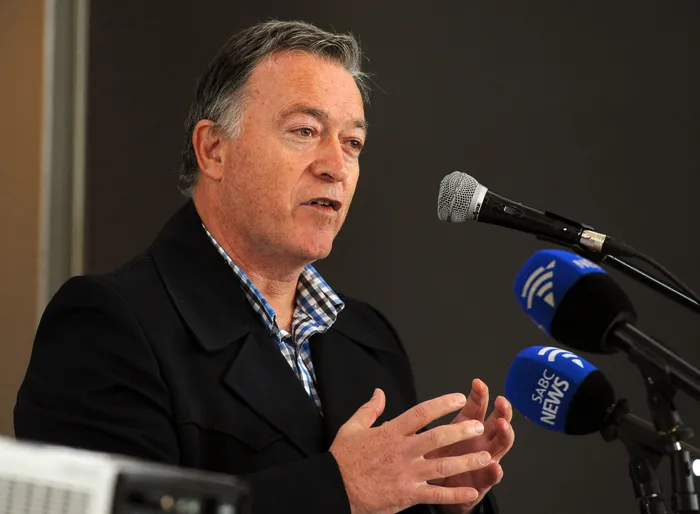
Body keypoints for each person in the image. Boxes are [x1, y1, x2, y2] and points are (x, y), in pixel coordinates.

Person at [14, 20, 514, 514]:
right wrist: (338, 489)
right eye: (305, 131)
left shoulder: (369, 339)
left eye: (352, 143)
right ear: (214, 150)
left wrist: (445, 502)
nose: (336, 166)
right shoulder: (107, 323)